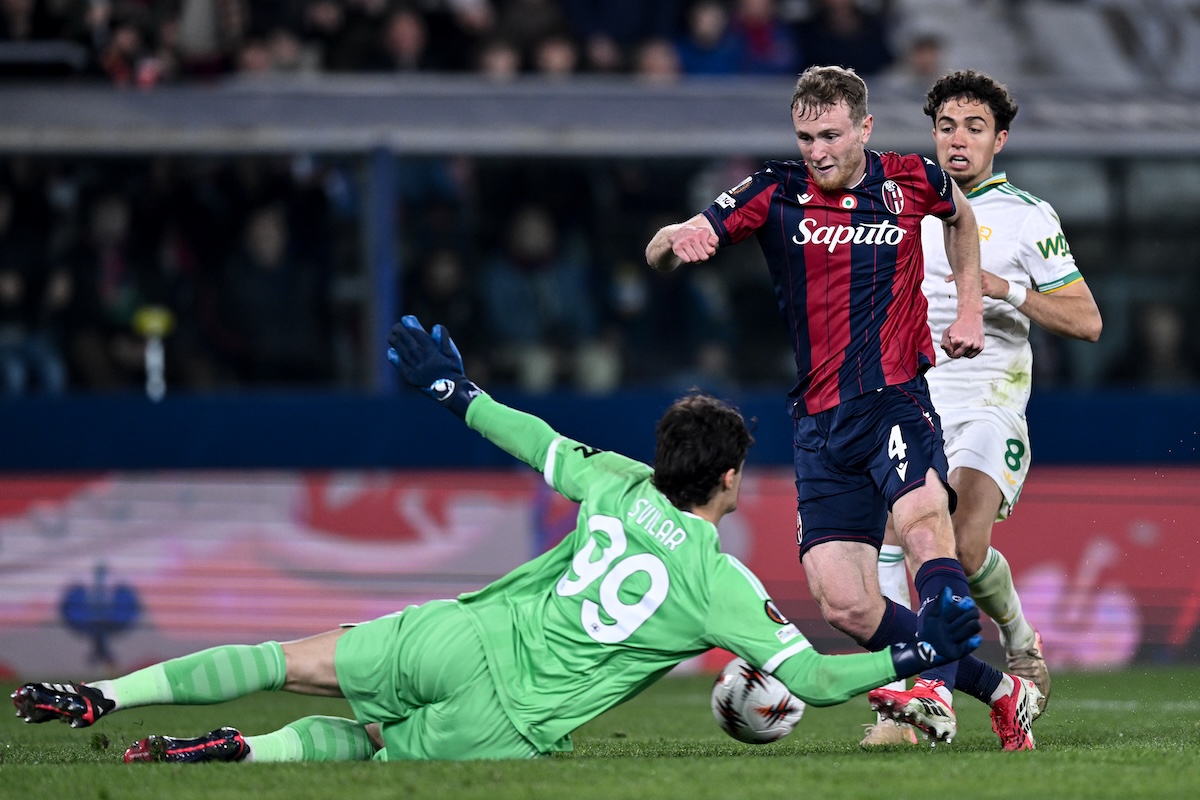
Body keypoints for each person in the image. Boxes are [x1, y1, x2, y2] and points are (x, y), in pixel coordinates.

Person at [11, 315, 983, 764]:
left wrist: (457, 392)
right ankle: (242, 756)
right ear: (730, 479)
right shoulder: (719, 582)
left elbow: (534, 440)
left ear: (662, 456)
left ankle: (107, 691)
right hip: (510, 713)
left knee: (285, 656)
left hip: (463, 630)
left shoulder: (613, 480)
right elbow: (810, 680)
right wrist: (916, 649)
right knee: (364, 752)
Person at [644, 65, 1043, 750]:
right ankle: (1005, 693)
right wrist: (679, 246)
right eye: (806, 137)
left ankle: (929, 694)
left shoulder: (909, 179)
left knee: (924, 528)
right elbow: (661, 246)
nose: (817, 151)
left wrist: (972, 308)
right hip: (820, 422)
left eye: (830, 135)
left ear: (864, 127)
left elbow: (962, 217)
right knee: (846, 603)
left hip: (894, 398)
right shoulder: (774, 190)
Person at [861, 70, 1103, 745]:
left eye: (974, 128)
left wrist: (1006, 290)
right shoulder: (901, 204)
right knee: (897, 538)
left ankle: (1020, 644)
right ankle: (914, 701)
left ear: (1000, 138)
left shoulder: (1027, 216)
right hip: (912, 397)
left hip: (990, 401)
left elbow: (1087, 321)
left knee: (960, 548)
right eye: (947, 127)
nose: (958, 140)